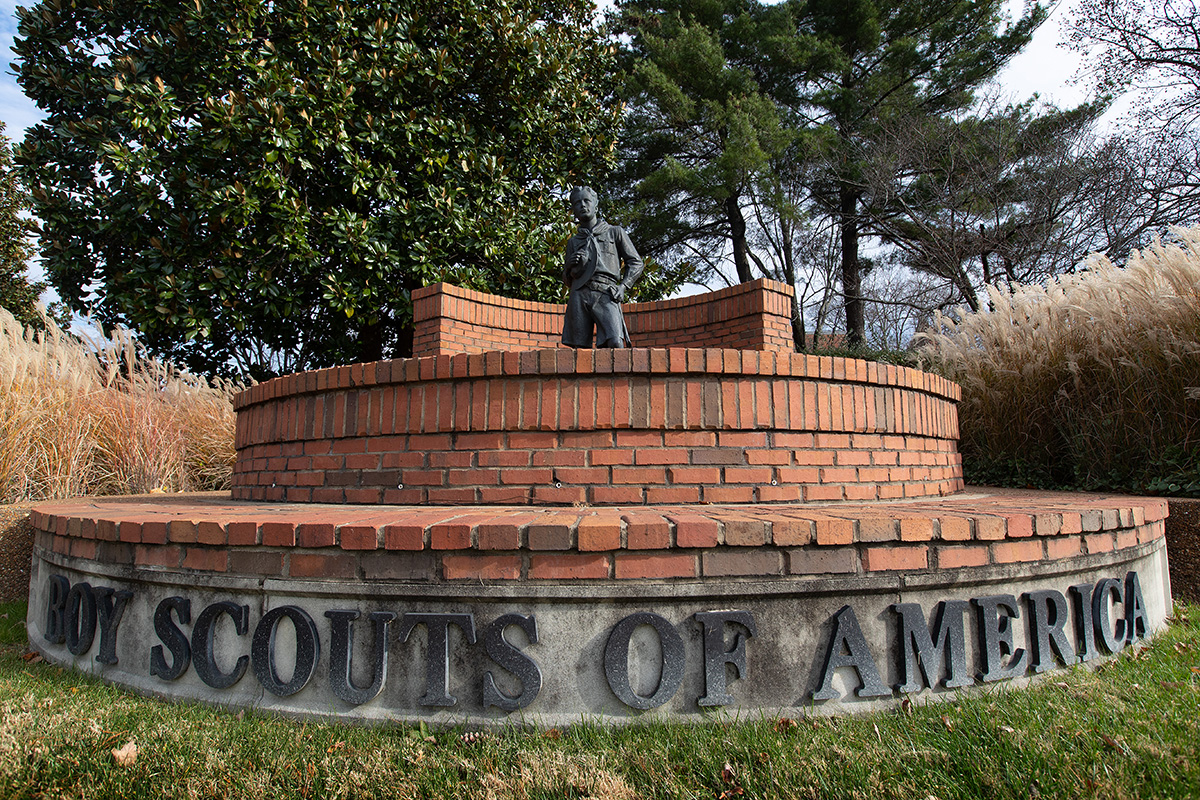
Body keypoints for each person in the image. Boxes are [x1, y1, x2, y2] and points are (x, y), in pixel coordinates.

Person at [561, 186, 643, 348]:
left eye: (586, 201)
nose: (582, 205)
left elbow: (636, 262)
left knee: (615, 342)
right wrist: (569, 266)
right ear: (574, 211)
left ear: (596, 206)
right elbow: (567, 280)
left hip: (606, 291)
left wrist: (623, 287)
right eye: (577, 203)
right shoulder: (573, 241)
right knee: (579, 349)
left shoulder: (614, 232)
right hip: (579, 294)